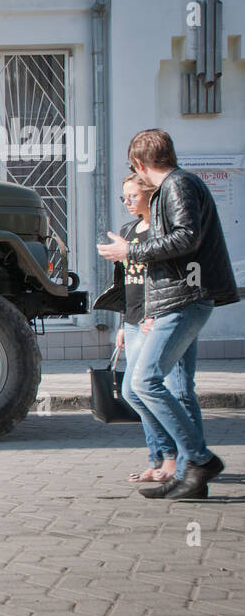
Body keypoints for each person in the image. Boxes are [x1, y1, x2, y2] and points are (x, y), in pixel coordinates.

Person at [97, 129, 239, 499]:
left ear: (140, 165)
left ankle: (198, 459)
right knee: (159, 386)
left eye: (133, 169)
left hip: (184, 298)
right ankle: (188, 475)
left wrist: (131, 252)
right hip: (175, 298)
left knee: (144, 383)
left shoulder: (178, 185)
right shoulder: (174, 187)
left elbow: (185, 237)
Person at [94, 173, 194, 485]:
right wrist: (124, 324)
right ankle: (159, 457)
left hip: (161, 321)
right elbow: (128, 284)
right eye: (123, 197)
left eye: (132, 197)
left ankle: (179, 459)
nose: (126, 203)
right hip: (136, 323)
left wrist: (159, 314)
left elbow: (177, 279)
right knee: (137, 391)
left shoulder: (163, 233)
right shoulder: (128, 231)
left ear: (151, 197)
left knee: (172, 392)